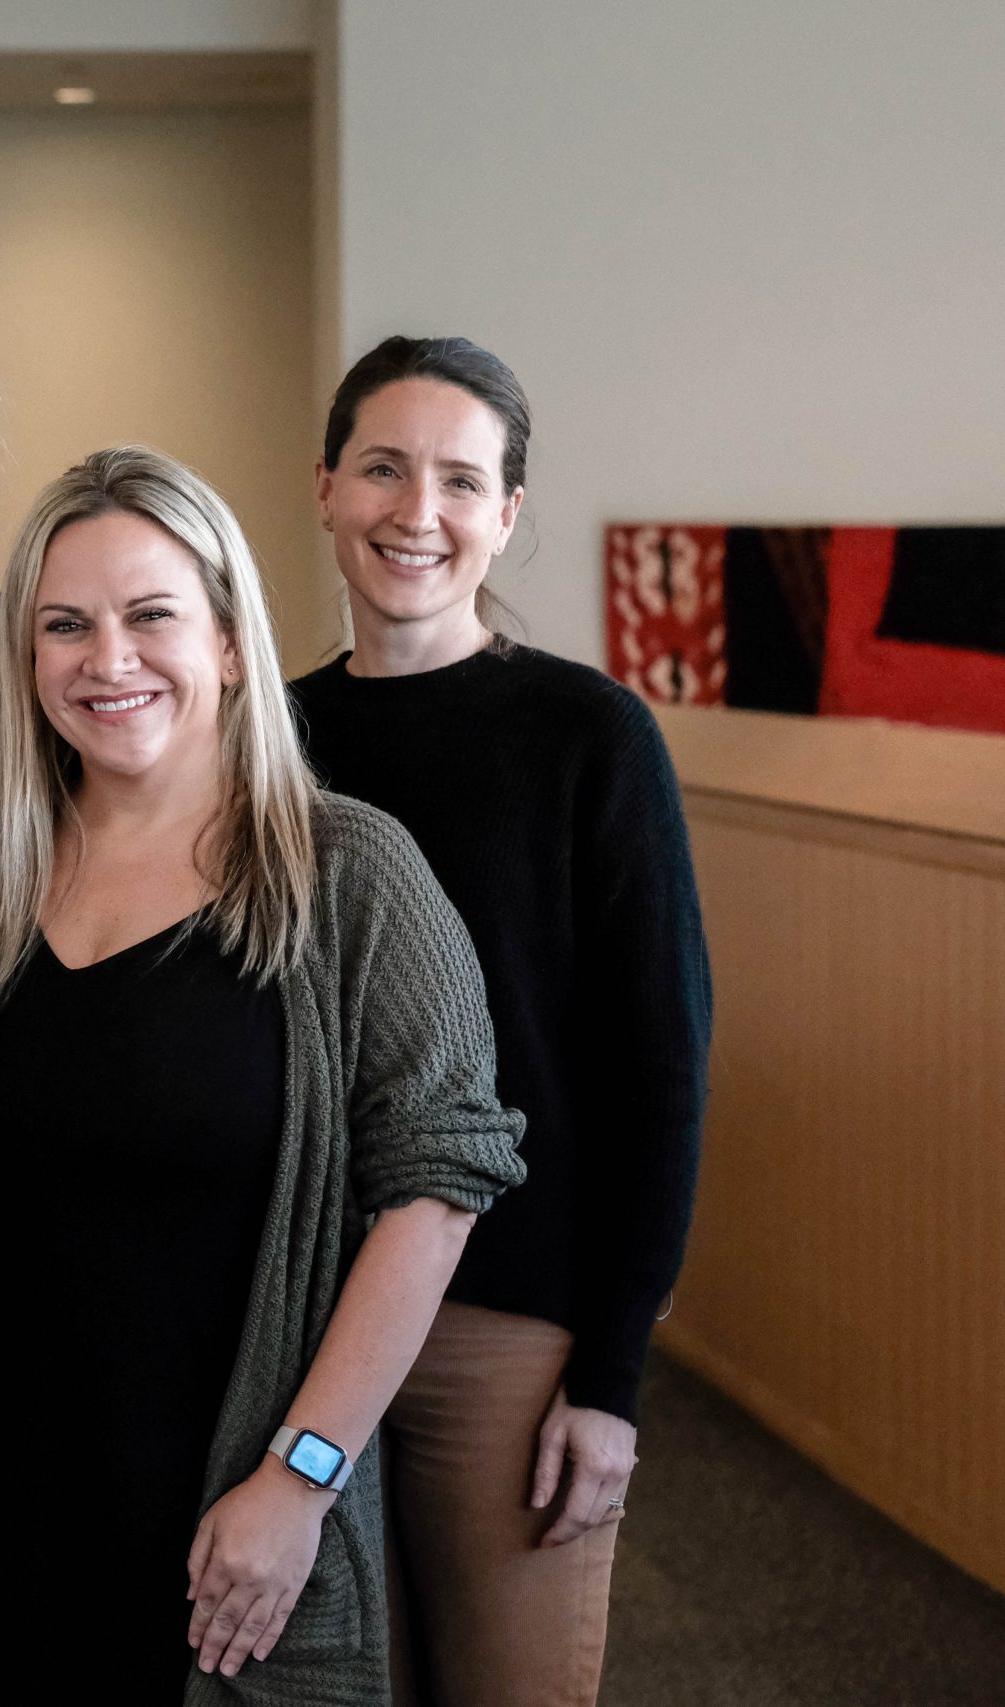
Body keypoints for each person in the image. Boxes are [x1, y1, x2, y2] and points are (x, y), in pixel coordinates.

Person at [0, 446, 528, 1704]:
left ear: (224, 640)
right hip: (17, 1490)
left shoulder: (348, 875)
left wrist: (301, 1475)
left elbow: (438, 1193)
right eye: (65, 626)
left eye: (150, 615)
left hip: (231, 1493)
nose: (108, 661)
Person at [290, 336, 712, 1707]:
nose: (418, 510)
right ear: (325, 487)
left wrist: (613, 1373)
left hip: (509, 1329)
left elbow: (660, 1070)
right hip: (303, 1315)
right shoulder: (264, 740)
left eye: (461, 479)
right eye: (384, 468)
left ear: (509, 512)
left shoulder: (590, 734)